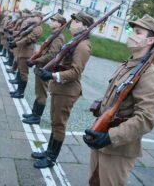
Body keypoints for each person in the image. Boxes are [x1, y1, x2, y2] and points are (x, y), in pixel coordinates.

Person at [83, 14, 154, 186]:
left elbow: (147, 118)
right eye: (132, 30)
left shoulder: (149, 74)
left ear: (150, 41)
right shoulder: (129, 64)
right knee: (94, 182)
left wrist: (111, 136)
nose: (131, 34)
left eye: (138, 32)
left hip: (118, 148)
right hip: (102, 134)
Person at [31, 12, 94, 168]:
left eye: (76, 21)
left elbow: (75, 72)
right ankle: (48, 152)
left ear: (85, 26)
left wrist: (52, 75)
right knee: (55, 122)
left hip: (68, 90)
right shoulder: (75, 41)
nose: (72, 23)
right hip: (61, 88)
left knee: (59, 124)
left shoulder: (83, 46)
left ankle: (51, 158)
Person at [22, 14, 67, 125]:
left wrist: (35, 61)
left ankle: (36, 117)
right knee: (38, 93)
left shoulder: (59, 37)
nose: (51, 22)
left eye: (54, 20)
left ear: (59, 24)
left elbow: (52, 55)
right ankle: (34, 113)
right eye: (51, 20)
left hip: (45, 68)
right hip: (42, 66)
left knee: (42, 94)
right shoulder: (54, 34)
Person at [9, 12, 43, 99]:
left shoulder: (38, 28)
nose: (33, 18)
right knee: (20, 71)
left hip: (27, 52)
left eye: (35, 17)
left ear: (40, 18)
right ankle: (18, 91)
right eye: (34, 17)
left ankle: (20, 93)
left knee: (24, 73)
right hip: (23, 50)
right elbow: (22, 34)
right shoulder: (32, 26)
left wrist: (16, 43)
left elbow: (28, 39)